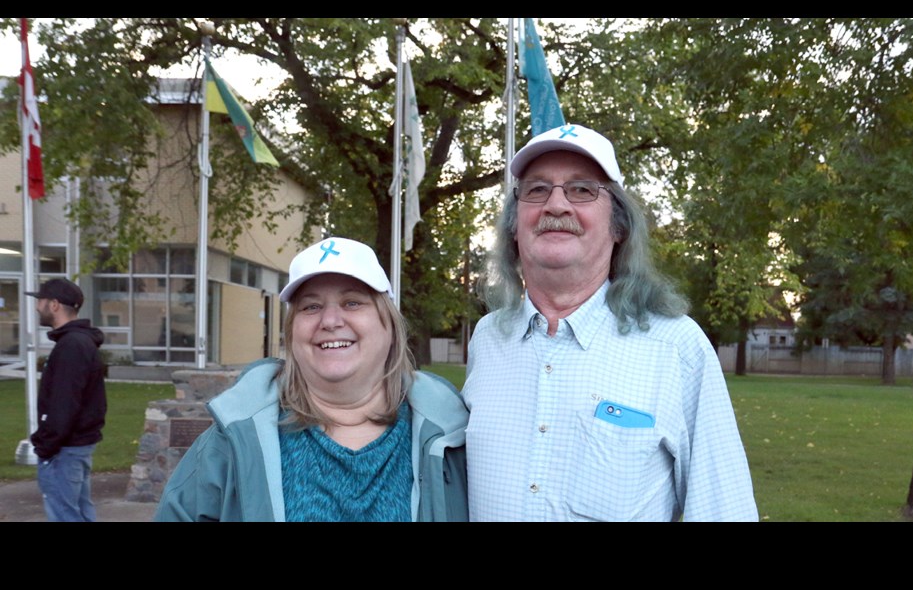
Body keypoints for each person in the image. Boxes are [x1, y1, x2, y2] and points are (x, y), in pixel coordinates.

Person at [463, 124, 758, 522]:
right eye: (536, 190)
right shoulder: (488, 339)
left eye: (582, 189)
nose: (556, 205)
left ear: (619, 225)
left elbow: (723, 509)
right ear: (515, 225)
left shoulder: (675, 346)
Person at [155, 236, 468, 522]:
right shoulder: (232, 440)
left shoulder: (453, 438)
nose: (330, 321)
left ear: (389, 324)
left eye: (352, 302)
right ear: (292, 333)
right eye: (311, 306)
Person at [26, 278, 107, 522]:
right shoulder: (76, 342)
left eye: (40, 300)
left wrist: (46, 447)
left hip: (65, 449)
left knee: (65, 515)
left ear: (54, 305)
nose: (36, 306)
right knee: (79, 512)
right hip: (73, 446)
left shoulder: (72, 345)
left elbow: (64, 404)